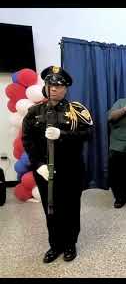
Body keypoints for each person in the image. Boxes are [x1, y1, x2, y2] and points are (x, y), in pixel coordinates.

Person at [22, 66, 94, 263]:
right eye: (50, 84)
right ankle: (55, 245)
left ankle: (70, 244)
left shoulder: (77, 111)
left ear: (66, 89)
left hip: (70, 169)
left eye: (59, 85)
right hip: (44, 170)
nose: (54, 88)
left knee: (70, 207)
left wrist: (63, 135)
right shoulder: (33, 112)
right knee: (50, 208)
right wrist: (38, 165)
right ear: (46, 86)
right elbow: (27, 141)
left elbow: (88, 134)